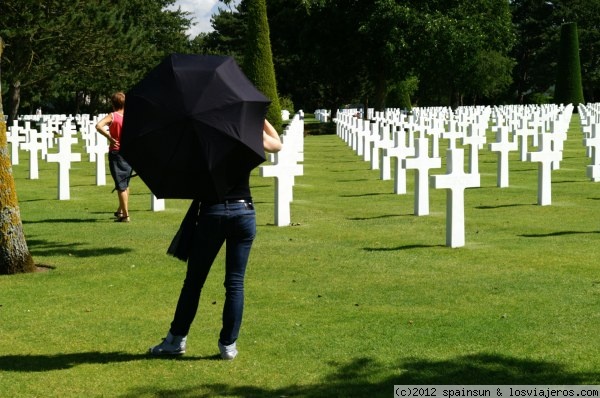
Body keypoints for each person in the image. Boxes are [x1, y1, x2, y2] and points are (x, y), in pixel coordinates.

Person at [149, 119, 282, 360]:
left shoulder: (200, 143)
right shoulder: (244, 138)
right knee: (235, 283)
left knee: (194, 282)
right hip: (244, 212)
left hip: (213, 213)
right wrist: (259, 118)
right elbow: (277, 144)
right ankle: (228, 345)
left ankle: (176, 339)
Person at [95, 92, 133, 222]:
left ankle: (125, 215)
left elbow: (98, 125)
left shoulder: (113, 116)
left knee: (121, 185)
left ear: (112, 104)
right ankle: (120, 210)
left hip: (116, 152)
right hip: (128, 151)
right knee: (126, 182)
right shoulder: (130, 116)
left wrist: (109, 137)